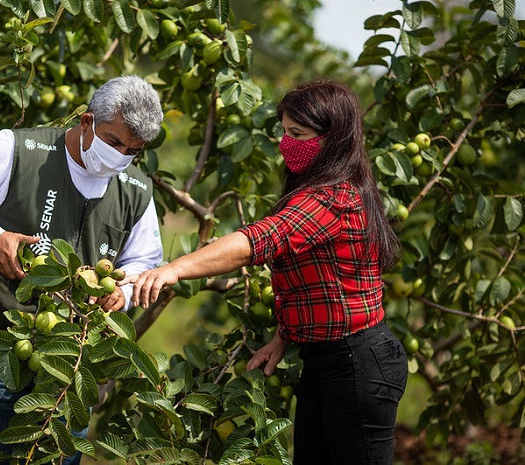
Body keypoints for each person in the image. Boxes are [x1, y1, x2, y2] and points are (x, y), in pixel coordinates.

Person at [124, 81, 408, 464]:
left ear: (333, 140)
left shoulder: (333, 199)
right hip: (329, 360)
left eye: (297, 134)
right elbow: (320, 285)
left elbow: (258, 241)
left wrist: (173, 269)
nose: (284, 142)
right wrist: (283, 337)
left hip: (358, 362)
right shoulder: (327, 189)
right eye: (284, 131)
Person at [0, 75, 164, 464]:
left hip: (75, 361)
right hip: (9, 348)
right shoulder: (21, 150)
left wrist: (123, 292)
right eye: (114, 142)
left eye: (133, 150)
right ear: (85, 122)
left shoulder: (136, 189)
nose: (121, 155)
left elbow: (146, 260)